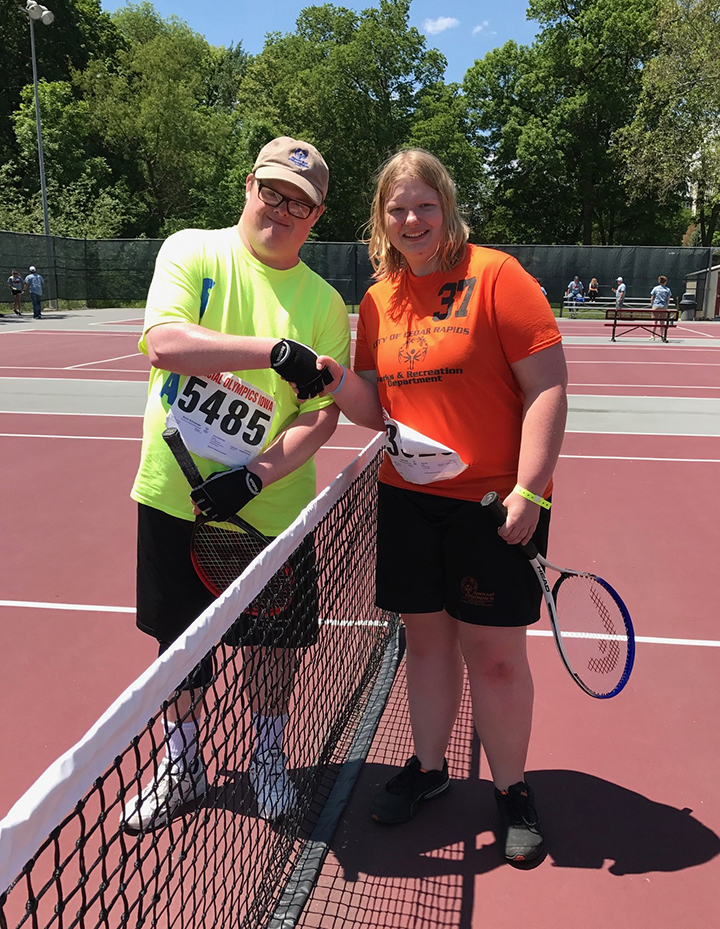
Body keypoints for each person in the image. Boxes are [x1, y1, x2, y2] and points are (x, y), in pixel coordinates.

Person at [296, 149, 567, 863]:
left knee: (498, 659)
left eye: (423, 204)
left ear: (445, 205)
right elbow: (370, 405)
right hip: (407, 500)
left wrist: (531, 490)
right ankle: (429, 767)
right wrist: (331, 379)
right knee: (425, 645)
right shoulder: (380, 299)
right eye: (397, 207)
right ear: (381, 219)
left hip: (491, 504)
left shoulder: (498, 276)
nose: (411, 219)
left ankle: (511, 788)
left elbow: (548, 388)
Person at [122, 136, 350, 832]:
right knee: (179, 643)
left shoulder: (325, 306)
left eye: (299, 204)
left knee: (273, 648)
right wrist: (273, 353)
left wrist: (253, 477)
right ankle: (183, 762)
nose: (281, 209)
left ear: (316, 217)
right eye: (273, 192)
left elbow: (321, 419)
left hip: (271, 510)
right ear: (249, 185)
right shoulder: (191, 250)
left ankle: (268, 758)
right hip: (173, 495)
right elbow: (165, 342)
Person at [649, 274, 673, 341]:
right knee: (662, 322)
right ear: (665, 282)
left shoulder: (655, 288)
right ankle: (662, 335)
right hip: (663, 306)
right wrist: (666, 306)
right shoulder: (667, 289)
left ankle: (652, 335)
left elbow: (652, 298)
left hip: (656, 306)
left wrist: (652, 305)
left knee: (654, 321)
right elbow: (668, 299)